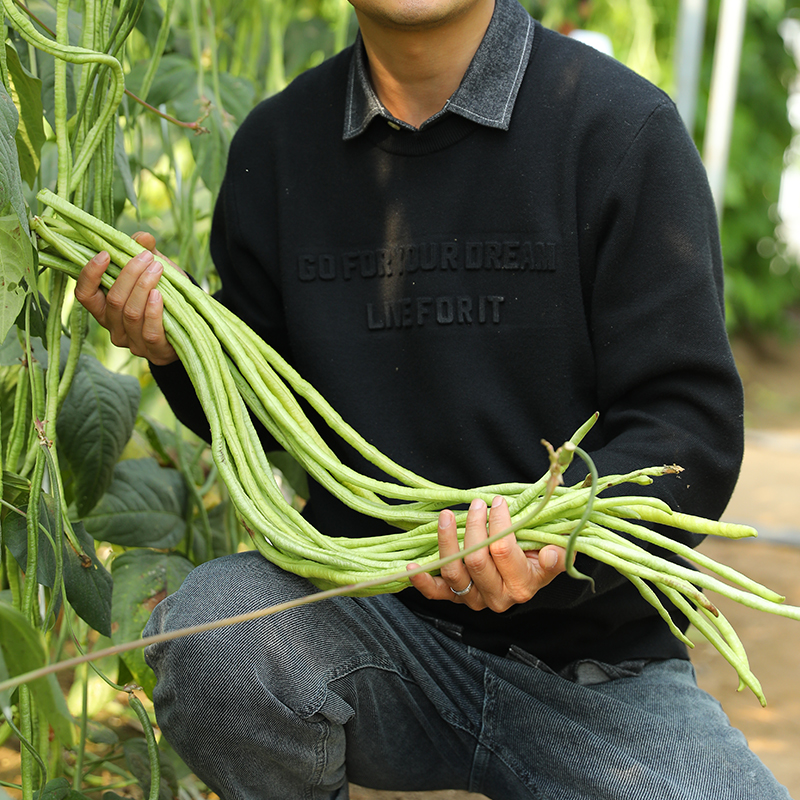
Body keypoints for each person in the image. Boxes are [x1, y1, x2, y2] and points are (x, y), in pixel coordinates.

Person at [75, 0, 791, 796]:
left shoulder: (618, 129)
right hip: (364, 630)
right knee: (217, 637)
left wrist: (560, 543)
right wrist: (180, 347)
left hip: (595, 673)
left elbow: (684, 420)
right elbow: (266, 410)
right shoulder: (277, 148)